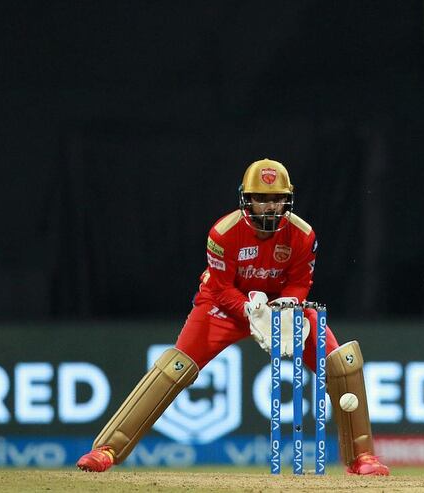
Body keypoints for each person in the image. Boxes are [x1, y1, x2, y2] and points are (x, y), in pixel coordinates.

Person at [76, 158, 389, 476]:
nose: (269, 206)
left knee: (341, 363)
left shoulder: (303, 235)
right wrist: (250, 312)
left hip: (281, 309)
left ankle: (363, 457)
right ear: (247, 199)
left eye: (276, 198)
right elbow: (222, 287)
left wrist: (281, 311)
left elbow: (299, 283)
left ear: (287, 199)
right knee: (175, 367)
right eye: (262, 198)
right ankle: (107, 449)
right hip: (223, 308)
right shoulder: (222, 233)